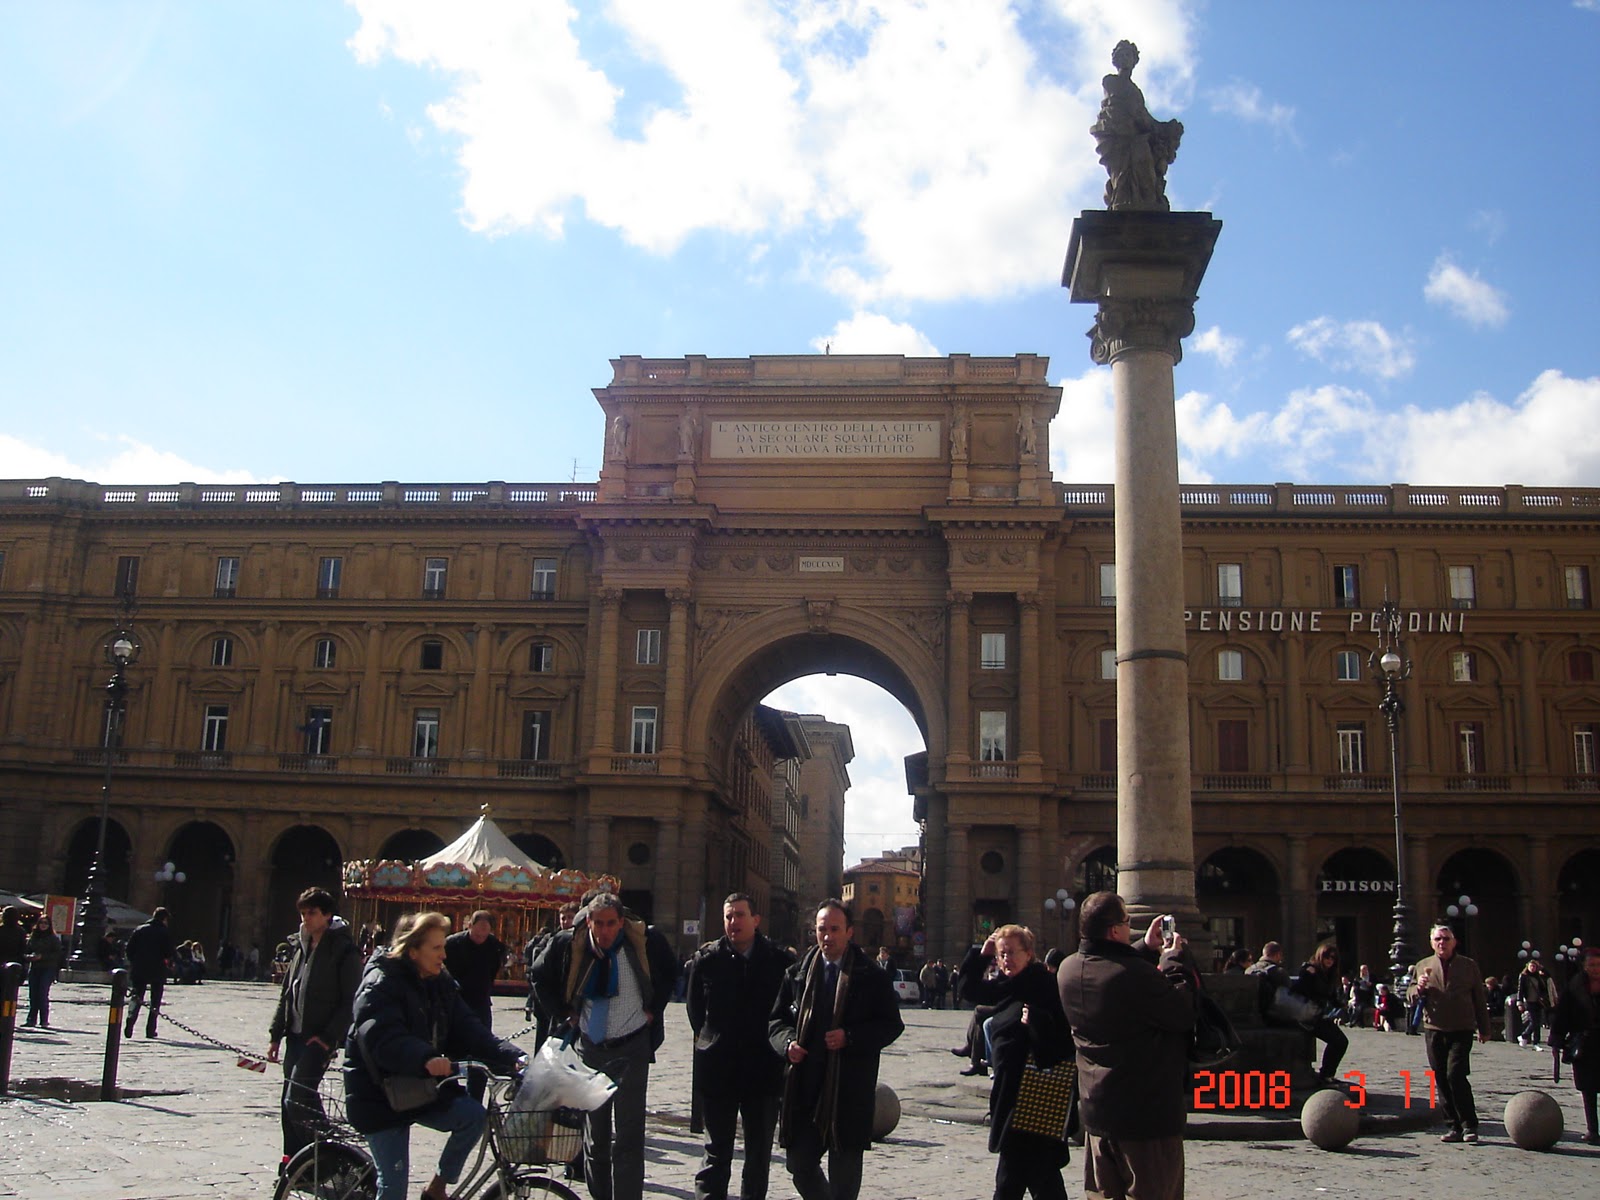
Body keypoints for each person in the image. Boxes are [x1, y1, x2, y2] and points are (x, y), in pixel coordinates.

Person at [343, 911, 523, 1200]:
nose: (444, 955)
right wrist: (426, 1057)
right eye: (437, 948)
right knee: (393, 1185)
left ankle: (437, 1189)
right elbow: (383, 1037)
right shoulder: (380, 983)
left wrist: (512, 1056)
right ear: (413, 951)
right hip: (379, 1093)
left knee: (473, 1116)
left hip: (420, 1086)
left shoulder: (439, 982)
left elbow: (469, 1028)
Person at [530, 891, 678, 1200]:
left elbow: (671, 972)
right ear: (589, 923)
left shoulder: (643, 943)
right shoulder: (571, 944)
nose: (605, 931)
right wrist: (564, 1014)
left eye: (611, 924)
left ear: (621, 923)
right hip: (591, 1047)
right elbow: (539, 975)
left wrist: (655, 1008)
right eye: (599, 924)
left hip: (631, 1046)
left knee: (629, 1134)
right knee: (595, 1138)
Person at [1057, 893, 1196, 1200]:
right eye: (1126, 921)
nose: (1129, 925)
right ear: (1114, 931)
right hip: (1145, 1118)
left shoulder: (1068, 969)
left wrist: (1144, 947)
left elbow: (1111, 972)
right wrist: (1171, 960)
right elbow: (1182, 1013)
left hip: (1097, 1113)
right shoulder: (1135, 976)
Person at [769, 899, 905, 1200]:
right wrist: (787, 1041)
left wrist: (851, 1037)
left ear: (849, 932)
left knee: (844, 1181)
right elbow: (776, 1021)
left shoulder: (871, 976)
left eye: (834, 929)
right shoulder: (797, 973)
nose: (827, 936)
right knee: (798, 1164)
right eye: (821, 929)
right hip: (805, 1090)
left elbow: (891, 1025)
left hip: (848, 1091)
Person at [686, 892, 795, 1200]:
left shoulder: (778, 960)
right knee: (716, 1153)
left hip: (762, 1070)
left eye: (740, 915)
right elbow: (696, 1012)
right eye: (728, 916)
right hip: (719, 1069)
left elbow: (787, 1010)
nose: (733, 922)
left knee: (758, 1156)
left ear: (756, 920)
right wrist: (711, 1041)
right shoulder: (707, 960)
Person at [956, 924, 1073, 1200]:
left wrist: (1036, 1023)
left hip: (1035, 1099)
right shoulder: (1008, 986)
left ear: (1029, 953)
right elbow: (969, 990)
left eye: (1011, 953)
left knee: (1019, 1180)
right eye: (1001, 954)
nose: (1005, 959)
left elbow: (1063, 1038)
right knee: (1037, 1179)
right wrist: (981, 955)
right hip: (1014, 1097)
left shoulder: (1042, 984)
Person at [267, 887, 362, 1170]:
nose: (306, 918)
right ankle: (295, 1159)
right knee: (289, 1100)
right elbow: (288, 991)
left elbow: (350, 999)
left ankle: (332, 1156)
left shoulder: (343, 950)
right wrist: (275, 1033)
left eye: (312, 913)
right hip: (295, 1035)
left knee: (299, 1097)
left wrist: (329, 1036)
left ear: (327, 915)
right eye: (303, 913)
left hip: (318, 1038)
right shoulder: (302, 945)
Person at [1408, 922, 1490, 1144]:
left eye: (1446, 938)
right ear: (1431, 943)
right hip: (1434, 1029)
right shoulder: (1423, 965)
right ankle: (1453, 1125)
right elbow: (1411, 995)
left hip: (1462, 1028)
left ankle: (1469, 1124)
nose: (1442, 943)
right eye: (1438, 939)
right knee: (1441, 1078)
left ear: (1454, 942)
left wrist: (1484, 1028)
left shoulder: (1468, 965)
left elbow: (1479, 999)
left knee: (1456, 1074)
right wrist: (1419, 988)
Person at [1089, 40, 1183, 212]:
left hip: (1135, 137)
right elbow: (1129, 111)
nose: (1125, 59)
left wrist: (1162, 128)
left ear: (1134, 61)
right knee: (1129, 170)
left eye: (1128, 55)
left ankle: (1145, 203)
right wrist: (1154, 127)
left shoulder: (1135, 90)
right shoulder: (1111, 81)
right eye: (1122, 55)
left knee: (1144, 167)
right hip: (1118, 137)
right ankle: (1127, 201)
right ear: (1115, 60)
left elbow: (1141, 114)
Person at [1550, 945, 1600, 1144]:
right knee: (1588, 1089)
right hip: (1585, 1044)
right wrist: (1557, 1040)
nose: (1595, 969)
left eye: (1598, 965)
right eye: (1591, 965)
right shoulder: (1576, 985)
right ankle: (1593, 1130)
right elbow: (1563, 1014)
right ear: (1584, 966)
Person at [1288, 940, 1348, 1087]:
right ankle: (1325, 1075)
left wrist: (1341, 1005)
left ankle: (1327, 1074)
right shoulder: (1310, 971)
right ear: (1320, 956)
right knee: (1338, 1041)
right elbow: (1301, 991)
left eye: (1333, 958)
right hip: (1307, 1015)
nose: (1330, 961)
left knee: (1341, 1041)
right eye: (1327, 957)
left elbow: (1330, 996)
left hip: (1317, 1015)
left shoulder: (1329, 974)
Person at [444, 910, 506, 1031]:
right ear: (470, 926)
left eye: (485, 935)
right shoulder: (452, 944)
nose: (481, 939)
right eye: (477, 935)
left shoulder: (495, 946)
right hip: (456, 999)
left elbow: (493, 970)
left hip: (481, 999)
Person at [525, 901, 578, 1040]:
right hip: (551, 1001)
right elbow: (537, 969)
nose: (566, 921)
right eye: (563, 918)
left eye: (570, 917)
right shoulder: (552, 939)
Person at [124, 907, 176, 1038]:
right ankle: (150, 1029)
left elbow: (129, 949)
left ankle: (130, 1020)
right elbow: (169, 952)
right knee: (155, 1001)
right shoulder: (164, 932)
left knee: (136, 996)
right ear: (164, 919)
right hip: (157, 970)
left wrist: (135, 962)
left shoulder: (140, 929)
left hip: (139, 968)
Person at [23, 913, 63, 1028]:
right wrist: (29, 956)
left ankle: (44, 1020)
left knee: (42, 993)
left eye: (46, 923)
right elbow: (26, 950)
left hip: (48, 968)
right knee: (33, 994)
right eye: (41, 922)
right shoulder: (33, 937)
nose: (43, 925)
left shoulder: (53, 938)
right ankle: (31, 1019)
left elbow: (57, 954)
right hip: (35, 967)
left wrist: (43, 956)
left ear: (49, 925)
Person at [1517, 959, 1556, 1048]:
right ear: (1527, 967)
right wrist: (1519, 1002)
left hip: (1538, 1002)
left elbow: (1548, 976)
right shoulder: (1524, 976)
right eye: (1531, 966)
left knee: (1537, 1022)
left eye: (1534, 966)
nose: (1533, 968)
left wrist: (1542, 968)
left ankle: (1535, 1042)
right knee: (1534, 1022)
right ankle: (1524, 1035)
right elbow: (1520, 990)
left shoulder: (1538, 976)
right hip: (1529, 1001)